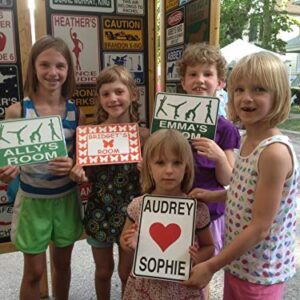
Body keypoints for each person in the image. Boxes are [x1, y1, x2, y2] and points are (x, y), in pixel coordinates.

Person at [185, 52, 299, 300]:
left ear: (278, 95)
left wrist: (211, 265)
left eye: (259, 89)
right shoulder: (248, 140)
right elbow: (244, 191)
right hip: (239, 262)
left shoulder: (274, 153)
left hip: (260, 272)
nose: (246, 98)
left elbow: (260, 227)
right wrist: (214, 195)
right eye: (239, 90)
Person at [0, 35, 83, 300]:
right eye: (45, 64)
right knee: (34, 271)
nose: (52, 72)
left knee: (63, 265)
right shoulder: (17, 111)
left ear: (68, 70)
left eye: (60, 65)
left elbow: (80, 158)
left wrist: (74, 165)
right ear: (34, 68)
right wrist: (6, 168)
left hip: (66, 199)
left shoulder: (74, 111)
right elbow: (5, 158)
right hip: (33, 200)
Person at [70, 65, 149, 299]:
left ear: (133, 94)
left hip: (132, 213)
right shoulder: (89, 135)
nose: (113, 99)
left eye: (119, 92)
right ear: (99, 98)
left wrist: (148, 172)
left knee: (127, 271)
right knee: (103, 271)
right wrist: (78, 176)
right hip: (99, 211)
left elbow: (156, 180)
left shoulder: (143, 135)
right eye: (106, 94)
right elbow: (80, 174)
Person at [120, 129, 214, 300]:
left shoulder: (197, 211)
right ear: (148, 165)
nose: (169, 170)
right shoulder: (137, 206)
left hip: (181, 288)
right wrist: (131, 242)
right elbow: (124, 243)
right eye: (160, 163)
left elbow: (209, 246)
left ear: (186, 167)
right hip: (145, 287)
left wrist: (198, 257)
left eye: (177, 163)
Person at [176, 43, 240, 256]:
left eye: (207, 74)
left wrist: (220, 157)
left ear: (220, 82)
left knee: (202, 268)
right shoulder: (169, 122)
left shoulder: (225, 128)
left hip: (209, 212)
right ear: (183, 82)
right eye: (192, 74)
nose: (200, 80)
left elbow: (227, 179)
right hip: (175, 208)